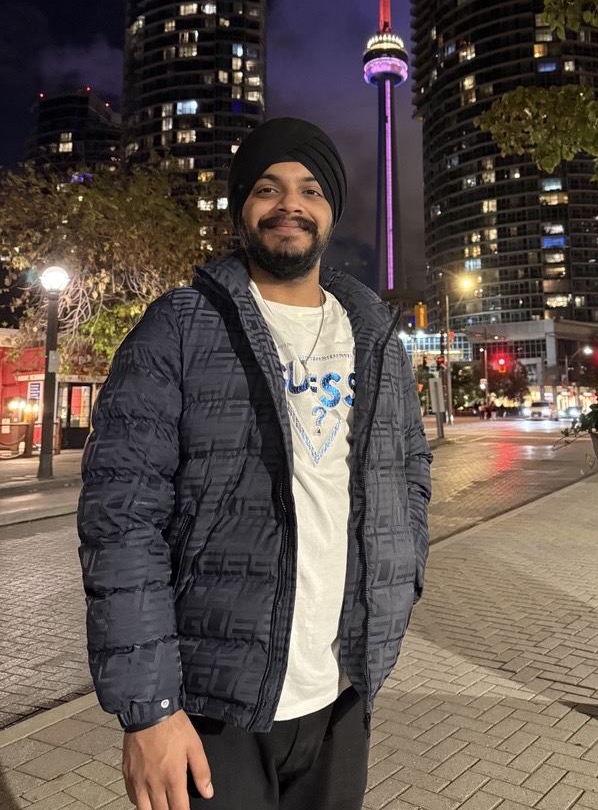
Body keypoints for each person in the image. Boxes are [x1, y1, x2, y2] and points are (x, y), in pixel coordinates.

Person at [77, 117, 432, 810]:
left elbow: (411, 472)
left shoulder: (378, 340)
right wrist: (148, 706)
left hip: (340, 696)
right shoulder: (177, 327)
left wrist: (405, 575)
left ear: (332, 210)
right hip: (214, 709)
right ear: (243, 208)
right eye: (267, 188)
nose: (289, 204)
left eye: (309, 189)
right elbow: (122, 520)